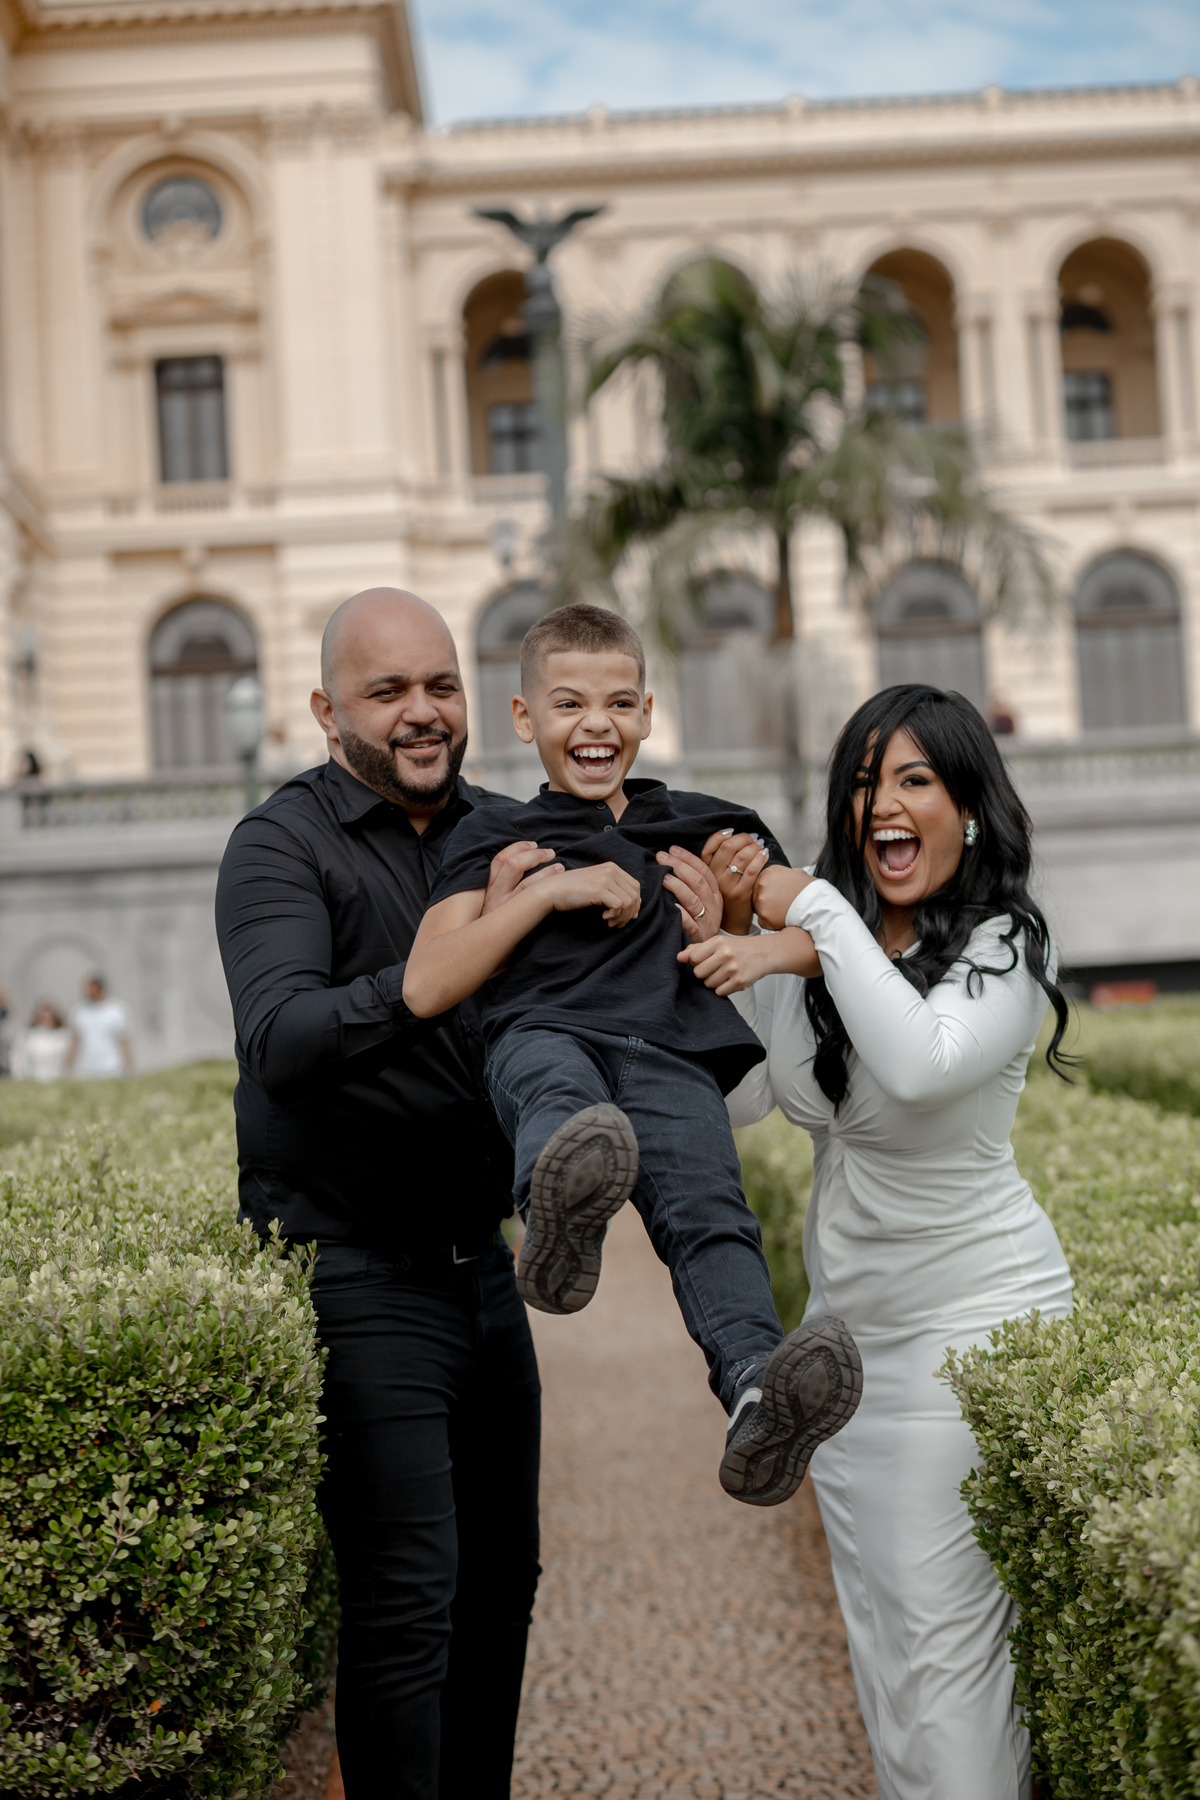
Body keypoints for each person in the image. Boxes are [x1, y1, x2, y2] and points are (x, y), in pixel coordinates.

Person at [218, 587, 657, 1800]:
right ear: (327, 711)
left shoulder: (513, 833)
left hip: (485, 1275)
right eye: (388, 691)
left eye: (441, 686)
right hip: (355, 1276)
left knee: (500, 1588)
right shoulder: (280, 845)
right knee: (406, 1603)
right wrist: (427, 979)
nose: (422, 713)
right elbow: (281, 1039)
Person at [684, 683, 1074, 1800]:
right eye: (864, 782)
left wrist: (810, 918)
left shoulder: (1005, 944)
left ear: (972, 809)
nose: (884, 804)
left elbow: (918, 1063)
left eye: (915, 779)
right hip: (843, 1363)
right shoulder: (826, 944)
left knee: (949, 1680)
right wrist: (721, 945)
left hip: (972, 1338)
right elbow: (741, 1102)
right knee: (893, 1675)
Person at [403, 602, 863, 1508]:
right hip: (542, 1032)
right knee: (561, 1102)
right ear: (524, 719)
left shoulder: (708, 824)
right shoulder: (496, 838)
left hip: (671, 1050)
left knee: (713, 1216)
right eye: (569, 704)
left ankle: (756, 1392)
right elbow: (424, 983)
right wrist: (540, 897)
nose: (598, 725)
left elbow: (832, 931)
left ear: (649, 714)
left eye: (619, 703)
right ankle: (556, 1216)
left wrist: (738, 925)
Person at [68, 974, 133, 1077]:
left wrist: (129, 1065)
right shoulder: (79, 1011)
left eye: (89, 986)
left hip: (111, 1067)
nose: (86, 990)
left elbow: (123, 1039)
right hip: (85, 1068)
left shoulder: (116, 1010)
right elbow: (75, 1040)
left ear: (98, 987)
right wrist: (68, 1066)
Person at [11, 1001, 72, 1081]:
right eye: (44, 1018)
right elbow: (18, 1057)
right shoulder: (27, 1035)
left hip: (57, 1077)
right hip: (33, 1078)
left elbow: (68, 1059)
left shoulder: (63, 1035)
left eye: (50, 1018)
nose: (47, 1021)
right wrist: (20, 1076)